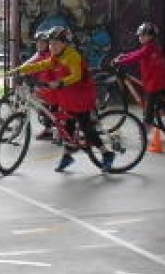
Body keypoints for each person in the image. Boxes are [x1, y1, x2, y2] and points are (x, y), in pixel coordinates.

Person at [12, 27, 114, 172]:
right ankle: (67, 156)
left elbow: (76, 75)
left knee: (86, 127)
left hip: (81, 96)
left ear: (65, 43)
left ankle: (107, 153)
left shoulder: (72, 56)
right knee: (68, 128)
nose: (51, 46)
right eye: (50, 43)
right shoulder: (56, 56)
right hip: (68, 96)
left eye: (55, 43)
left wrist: (60, 82)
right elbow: (41, 64)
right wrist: (18, 70)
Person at [113, 22, 165, 129]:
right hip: (155, 79)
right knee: (160, 101)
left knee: (149, 103)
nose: (140, 37)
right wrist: (124, 55)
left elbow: (138, 56)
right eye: (139, 35)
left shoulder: (150, 47)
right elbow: (137, 53)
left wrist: (121, 61)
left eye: (143, 35)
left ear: (151, 36)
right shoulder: (150, 46)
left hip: (156, 81)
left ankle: (147, 125)